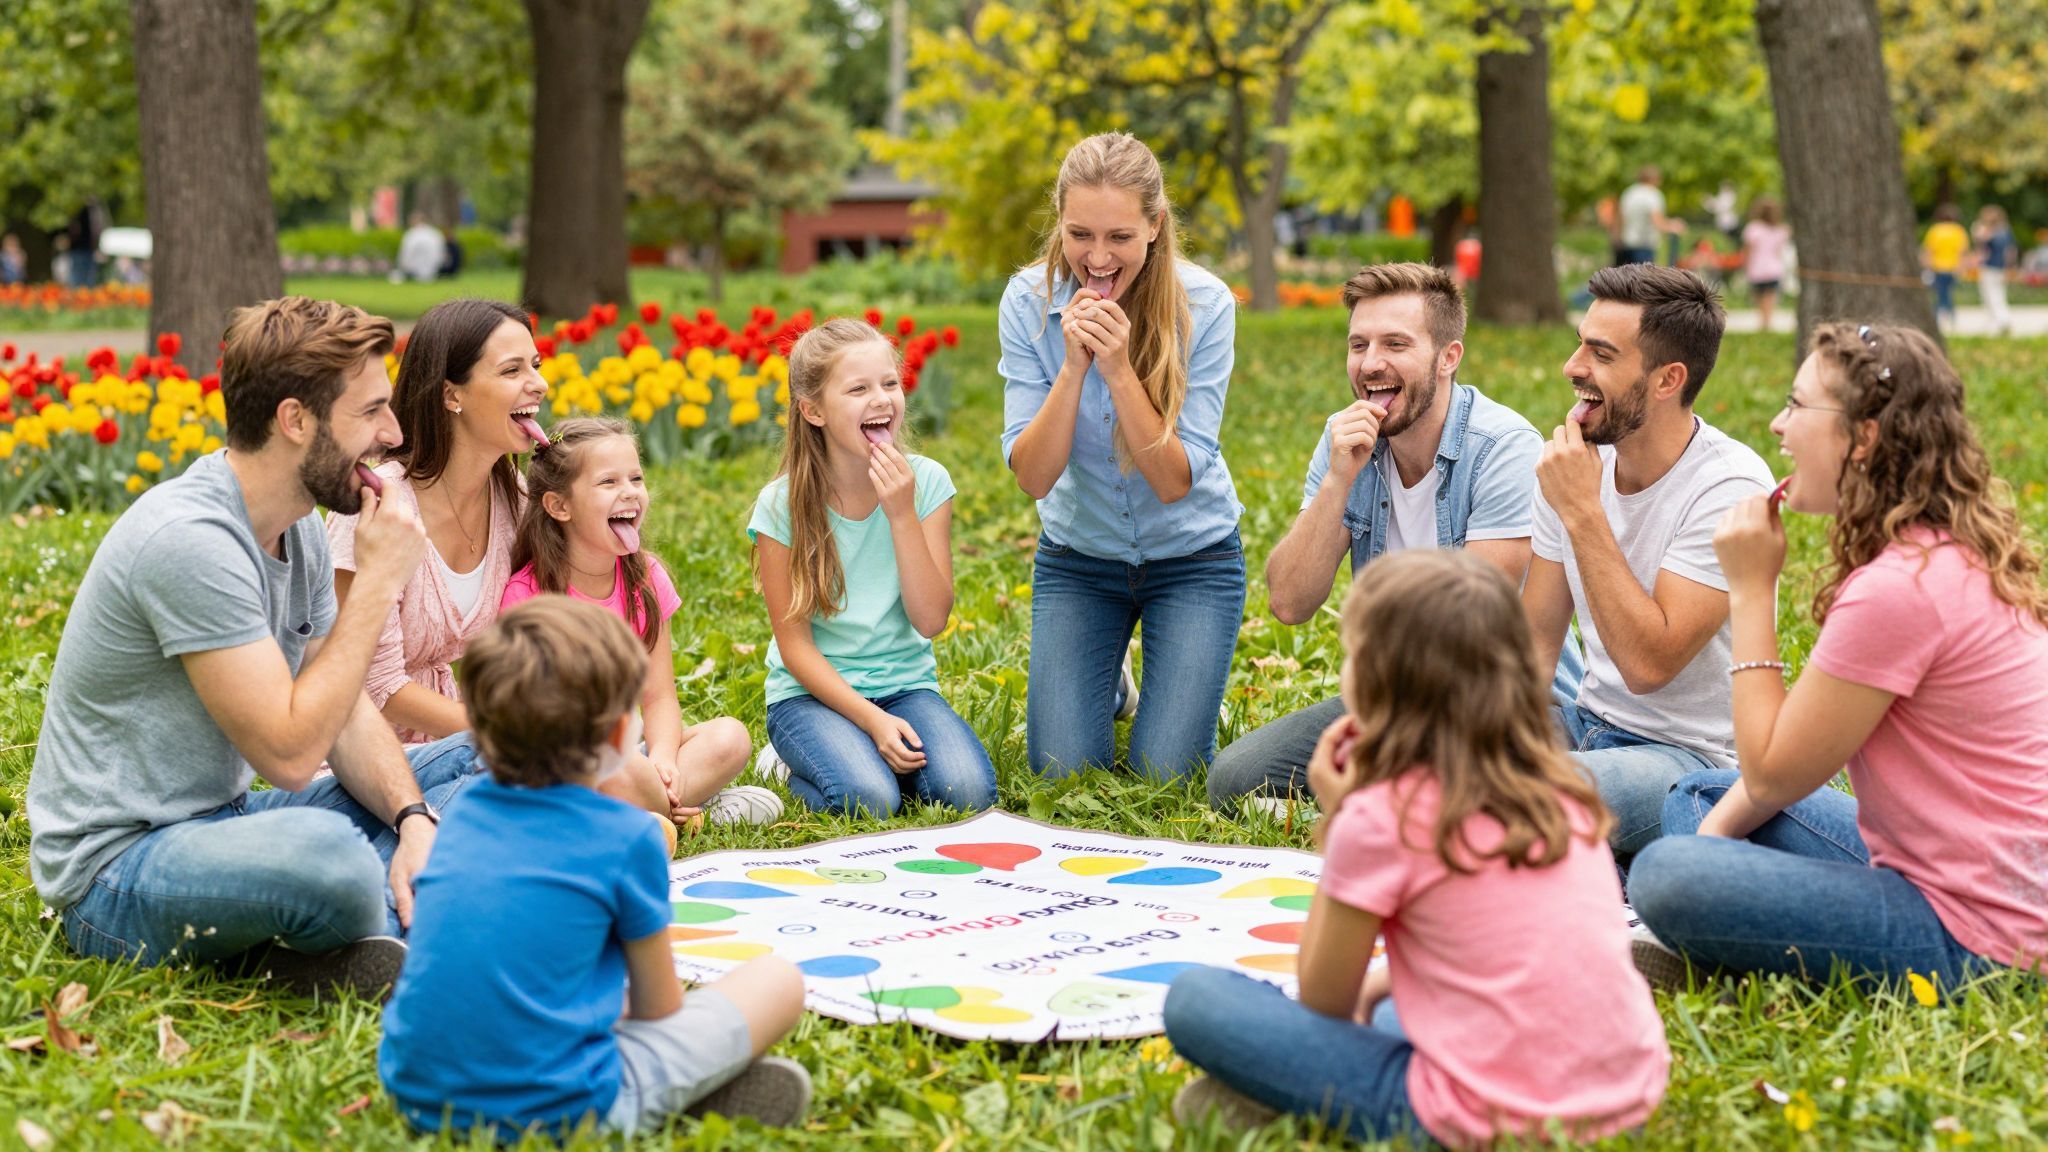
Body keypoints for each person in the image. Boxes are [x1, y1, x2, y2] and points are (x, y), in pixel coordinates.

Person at [25, 296, 481, 993]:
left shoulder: (295, 521)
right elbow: (293, 754)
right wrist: (379, 581)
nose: (391, 433)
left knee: (507, 750)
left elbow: (347, 713)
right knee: (331, 858)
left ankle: (381, 913)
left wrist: (413, 818)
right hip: (118, 870)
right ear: (295, 420)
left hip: (227, 825)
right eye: (369, 412)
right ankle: (395, 912)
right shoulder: (191, 543)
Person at [1164, 550, 1669, 1146]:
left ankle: (1297, 1101)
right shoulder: (1563, 794)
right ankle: (1294, 1094)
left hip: (1482, 1121)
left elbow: (1325, 999)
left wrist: (1347, 815)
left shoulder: (1381, 818)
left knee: (1196, 1000)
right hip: (1622, 1102)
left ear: (1375, 683)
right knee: (1385, 1009)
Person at [1627, 324, 2048, 991]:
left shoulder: (1899, 592)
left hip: (1984, 939)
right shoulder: (1938, 553)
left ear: (1864, 437)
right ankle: (1713, 940)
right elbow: (1779, 775)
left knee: (1664, 875)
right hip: (1946, 867)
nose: (1776, 425)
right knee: (1701, 795)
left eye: (1797, 406)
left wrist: (1752, 589)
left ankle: (1705, 944)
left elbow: (1768, 773)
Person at [379, 597, 810, 1139]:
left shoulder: (457, 816)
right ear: (616, 738)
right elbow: (658, 1008)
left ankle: (676, 1082)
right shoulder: (628, 837)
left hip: (418, 1092)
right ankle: (680, 1092)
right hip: (560, 1109)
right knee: (779, 980)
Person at [1210, 262, 1570, 814]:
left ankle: (1386, 802)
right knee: (1235, 779)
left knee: (1470, 795)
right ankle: (1391, 799)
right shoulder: (1346, 443)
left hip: (1500, 702)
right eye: (1359, 344)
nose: (1371, 363)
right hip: (1397, 701)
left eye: (1396, 344)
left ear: (1448, 357)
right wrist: (1337, 481)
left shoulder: (1503, 448)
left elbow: (1476, 632)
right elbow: (1289, 602)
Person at [1000, 132, 1246, 784]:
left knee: (1166, 773)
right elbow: (1033, 476)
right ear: (1059, 221)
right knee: (1062, 771)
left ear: (1155, 227)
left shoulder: (1207, 305)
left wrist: (1117, 368)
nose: (1098, 258)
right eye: (1080, 234)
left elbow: (1172, 482)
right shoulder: (1027, 304)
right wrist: (1073, 367)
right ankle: (1102, 682)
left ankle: (1151, 688)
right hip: (1081, 562)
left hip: (1194, 561)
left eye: (1120, 238)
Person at [1523, 265, 1773, 861]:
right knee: (1426, 756)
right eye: (1580, 342)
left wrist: (1583, 513)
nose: (1573, 366)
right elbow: (1533, 646)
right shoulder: (1573, 467)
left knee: (1520, 804)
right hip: (1587, 727)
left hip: (1689, 762)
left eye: (1601, 353)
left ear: (1668, 380)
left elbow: (1647, 665)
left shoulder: (1728, 486)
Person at [748, 318, 996, 816]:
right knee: (870, 800)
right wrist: (870, 722)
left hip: (905, 687)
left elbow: (930, 620)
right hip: (810, 697)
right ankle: (786, 764)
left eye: (889, 383)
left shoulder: (925, 482)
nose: (881, 399)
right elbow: (795, 650)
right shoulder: (781, 506)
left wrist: (901, 513)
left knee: (967, 793)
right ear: (813, 410)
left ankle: (859, 758)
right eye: (858, 389)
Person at [504, 417, 778, 826]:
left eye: (635, 477)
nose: (630, 492)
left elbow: (658, 697)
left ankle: (656, 805)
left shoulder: (645, 579)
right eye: (608, 482)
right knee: (613, 770)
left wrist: (665, 761)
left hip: (631, 753)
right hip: (563, 764)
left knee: (730, 738)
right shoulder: (527, 598)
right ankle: (683, 809)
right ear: (560, 506)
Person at [327, 299, 542, 748]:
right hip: (370, 756)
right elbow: (372, 688)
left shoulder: (513, 498)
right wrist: (510, 736)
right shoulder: (375, 507)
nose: (538, 384)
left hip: (463, 742)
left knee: (725, 741)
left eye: (536, 366)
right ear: (451, 395)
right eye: (512, 371)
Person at [1739, 197, 1792, 334]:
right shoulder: (1781, 230)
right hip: (1774, 268)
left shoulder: (1753, 228)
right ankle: (1767, 324)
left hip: (1757, 269)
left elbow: (1748, 250)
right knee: (1770, 298)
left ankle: (1763, 324)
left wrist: (1745, 265)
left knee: (1759, 297)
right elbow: (1779, 250)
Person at [1617, 166, 1683, 266]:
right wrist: (1673, 227)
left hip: (1626, 243)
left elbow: (1621, 218)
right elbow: (1657, 221)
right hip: (1644, 245)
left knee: (1625, 279)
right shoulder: (1653, 195)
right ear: (1655, 179)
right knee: (1642, 279)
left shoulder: (1629, 192)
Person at [1972, 205, 2019, 336]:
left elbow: (1980, 244)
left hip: (1990, 267)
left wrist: (1978, 232)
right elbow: (2011, 251)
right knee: (1999, 295)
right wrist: (2010, 267)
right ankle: (2001, 321)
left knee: (1990, 296)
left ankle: (1999, 321)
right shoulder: (2006, 231)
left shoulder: (1990, 232)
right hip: (2001, 267)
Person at [1922, 203, 1969, 333]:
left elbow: (1929, 250)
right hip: (1953, 267)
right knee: (1947, 293)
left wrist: (1927, 265)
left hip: (1938, 267)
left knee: (1939, 293)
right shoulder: (1959, 231)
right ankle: (1951, 316)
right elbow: (1962, 251)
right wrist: (1962, 267)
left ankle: (1937, 316)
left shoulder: (1935, 230)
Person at [395, 213, 447, 283]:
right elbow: (442, 254)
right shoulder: (435, 233)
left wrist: (402, 267)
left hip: (415, 270)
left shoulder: (410, 235)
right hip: (434, 269)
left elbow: (405, 255)